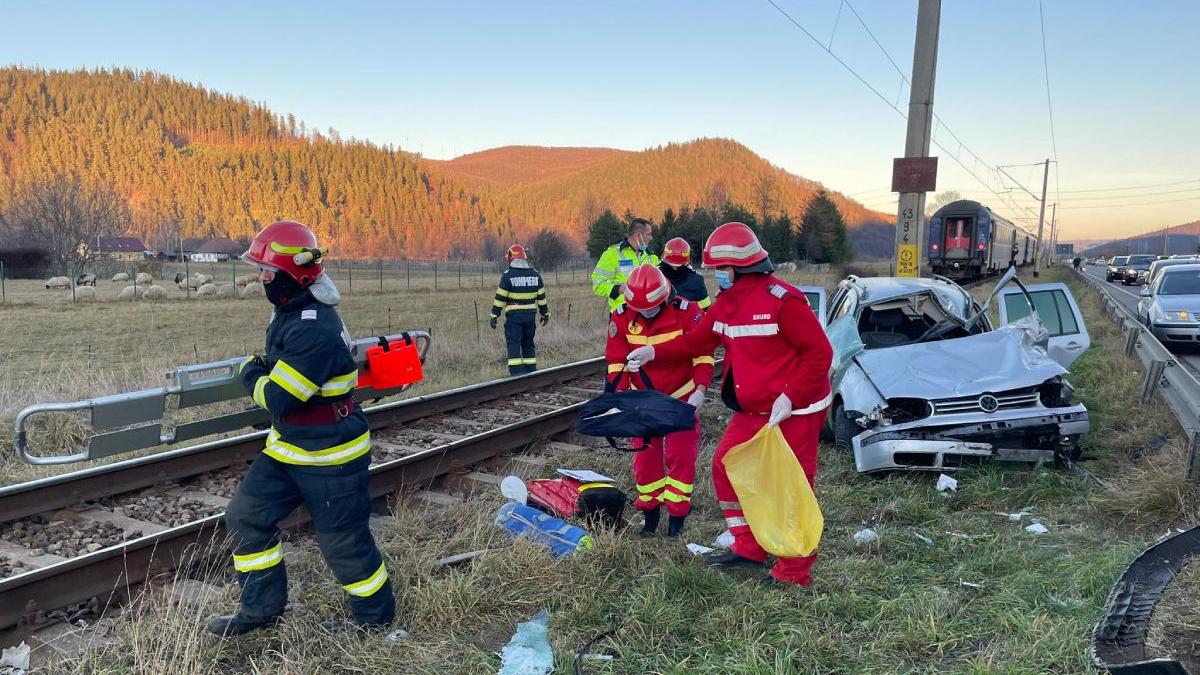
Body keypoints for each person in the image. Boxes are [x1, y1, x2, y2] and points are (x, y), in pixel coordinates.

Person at [207, 220, 394, 636]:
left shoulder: (315, 328)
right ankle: (261, 612)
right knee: (245, 518)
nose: (261, 279)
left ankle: (375, 622)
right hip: (289, 448)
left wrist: (248, 375)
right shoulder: (291, 312)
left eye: (267, 271)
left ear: (293, 276)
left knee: (343, 543)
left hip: (331, 455)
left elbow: (279, 398)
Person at [625, 222, 833, 587]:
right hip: (753, 410)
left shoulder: (783, 301)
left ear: (735, 268)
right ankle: (749, 547)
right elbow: (696, 342)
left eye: (719, 270)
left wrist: (791, 396)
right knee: (725, 467)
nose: (715, 276)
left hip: (796, 410)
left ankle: (793, 570)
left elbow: (820, 354)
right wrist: (653, 351)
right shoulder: (727, 303)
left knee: (790, 484)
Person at [605, 264, 715, 538]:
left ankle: (677, 519)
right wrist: (620, 398)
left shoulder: (688, 312)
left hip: (681, 398)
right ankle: (650, 515)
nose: (646, 313)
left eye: (651, 308)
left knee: (681, 458)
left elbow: (703, 353)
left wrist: (700, 390)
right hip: (642, 404)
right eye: (640, 309)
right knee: (645, 463)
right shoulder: (621, 317)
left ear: (666, 296)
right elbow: (615, 362)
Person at [490, 244, 550, 375]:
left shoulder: (508, 276)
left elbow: (500, 298)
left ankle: (517, 374)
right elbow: (542, 297)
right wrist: (545, 314)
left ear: (512, 258)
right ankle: (531, 373)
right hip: (530, 317)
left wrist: (494, 315)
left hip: (514, 317)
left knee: (514, 343)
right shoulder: (535, 275)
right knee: (528, 343)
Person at [591, 217, 660, 313]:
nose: (651, 238)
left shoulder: (651, 257)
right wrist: (620, 289)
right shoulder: (612, 254)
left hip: (649, 315)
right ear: (638, 235)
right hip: (622, 316)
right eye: (649, 234)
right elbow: (597, 284)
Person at [659, 237, 712, 310]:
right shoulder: (656, 278)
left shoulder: (696, 282)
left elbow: (705, 311)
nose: (674, 269)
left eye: (677, 266)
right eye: (672, 266)